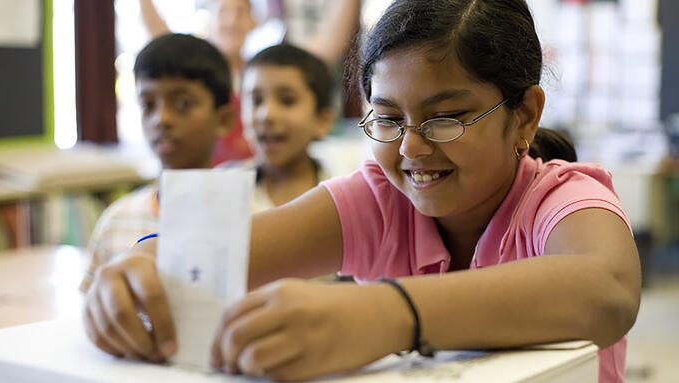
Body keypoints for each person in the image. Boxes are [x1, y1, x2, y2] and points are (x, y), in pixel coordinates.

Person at [83, 1, 641, 382]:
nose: (411, 149)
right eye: (388, 118)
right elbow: (220, 248)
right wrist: (142, 266)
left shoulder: (561, 199)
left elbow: (607, 288)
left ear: (524, 116)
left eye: (446, 118)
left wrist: (387, 314)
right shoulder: (379, 200)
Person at [79, 33, 234, 292]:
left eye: (183, 103)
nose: (161, 119)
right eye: (148, 104)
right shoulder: (116, 221)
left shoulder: (256, 218)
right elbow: (92, 308)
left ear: (224, 120)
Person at [138, 0, 361, 164]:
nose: (232, 20)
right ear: (210, 20)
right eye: (223, 11)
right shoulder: (191, 75)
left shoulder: (262, 75)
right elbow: (160, 36)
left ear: (254, 22)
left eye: (241, 12)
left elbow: (327, 46)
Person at [234, 44, 335, 211]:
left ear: (322, 121)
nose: (266, 115)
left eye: (287, 101)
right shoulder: (224, 190)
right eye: (255, 101)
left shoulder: (343, 194)